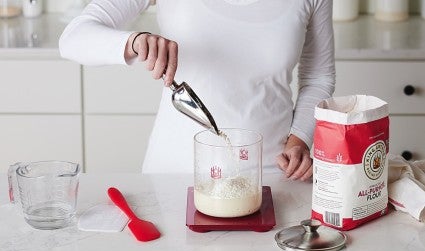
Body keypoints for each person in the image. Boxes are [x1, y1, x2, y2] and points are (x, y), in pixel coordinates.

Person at [59, 0, 335, 181]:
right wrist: (134, 41)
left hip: (271, 178)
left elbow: (318, 77)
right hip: (175, 177)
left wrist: (299, 140)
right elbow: (74, 38)